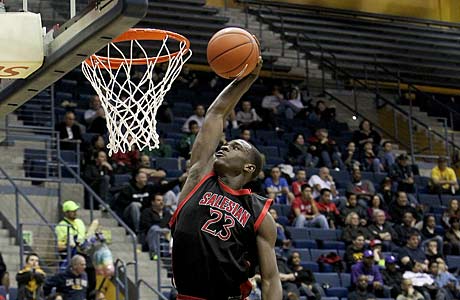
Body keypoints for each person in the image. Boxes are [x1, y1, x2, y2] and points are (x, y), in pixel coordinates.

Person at [168, 59, 282, 299]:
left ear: (249, 167)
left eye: (235, 147)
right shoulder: (199, 177)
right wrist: (246, 79)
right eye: (226, 143)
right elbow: (216, 114)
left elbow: (271, 279)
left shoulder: (260, 213)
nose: (224, 146)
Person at [139, 194, 172, 260]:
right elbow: (147, 225)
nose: (161, 202)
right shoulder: (147, 212)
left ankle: (171, 254)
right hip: (149, 236)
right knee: (155, 229)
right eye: (158, 200)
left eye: (162, 200)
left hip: (165, 236)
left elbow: (171, 225)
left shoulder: (167, 213)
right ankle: (154, 253)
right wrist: (163, 229)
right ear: (153, 202)